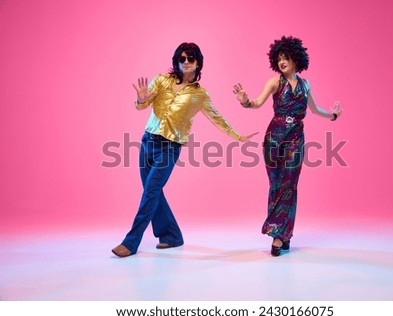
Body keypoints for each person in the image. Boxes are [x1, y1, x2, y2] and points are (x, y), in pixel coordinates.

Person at [112, 42, 257, 258]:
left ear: (198, 63)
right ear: (176, 62)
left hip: (169, 148)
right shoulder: (162, 80)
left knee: (150, 192)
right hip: (147, 143)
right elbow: (143, 104)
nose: (186, 62)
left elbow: (217, 119)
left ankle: (131, 242)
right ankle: (171, 236)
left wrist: (238, 136)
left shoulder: (200, 95)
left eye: (191, 58)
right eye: (182, 59)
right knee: (152, 192)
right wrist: (141, 100)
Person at [233, 36, 342, 256]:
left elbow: (314, 109)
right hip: (274, 137)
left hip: (295, 137)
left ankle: (278, 236)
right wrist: (245, 100)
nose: (282, 61)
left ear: (296, 59)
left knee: (289, 185)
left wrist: (333, 116)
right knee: (276, 185)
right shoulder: (274, 82)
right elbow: (256, 103)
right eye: (279, 58)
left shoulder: (305, 84)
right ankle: (285, 235)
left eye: (286, 57)